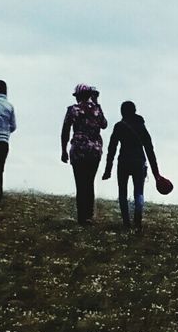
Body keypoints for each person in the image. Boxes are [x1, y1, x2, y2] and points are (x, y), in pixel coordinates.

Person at [103, 100, 161, 231]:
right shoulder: (141, 126)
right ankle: (137, 220)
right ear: (135, 111)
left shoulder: (119, 126)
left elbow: (111, 148)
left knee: (122, 193)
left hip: (123, 161)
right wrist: (156, 173)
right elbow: (150, 150)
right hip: (139, 162)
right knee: (139, 192)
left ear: (122, 112)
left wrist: (108, 169)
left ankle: (126, 223)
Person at [60, 83, 107, 224]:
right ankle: (89, 215)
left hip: (79, 150)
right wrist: (97, 103)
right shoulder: (97, 109)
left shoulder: (73, 110)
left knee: (80, 183)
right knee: (90, 182)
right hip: (95, 151)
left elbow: (65, 131)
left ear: (78, 96)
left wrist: (63, 150)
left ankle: (82, 217)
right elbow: (104, 124)